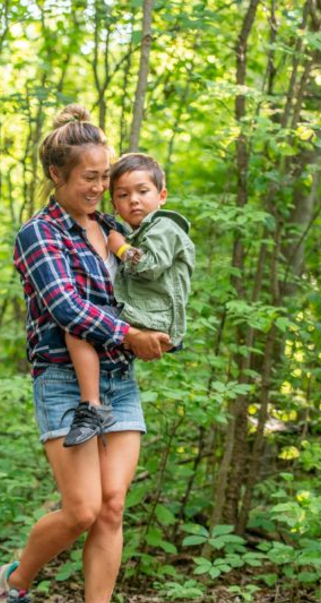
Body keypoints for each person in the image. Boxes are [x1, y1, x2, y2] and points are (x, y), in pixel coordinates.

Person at [0, 104, 170, 603]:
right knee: (82, 510)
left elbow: (150, 289)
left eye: (104, 175)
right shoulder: (37, 235)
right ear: (58, 176)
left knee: (114, 506)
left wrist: (162, 330)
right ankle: (15, 582)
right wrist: (130, 334)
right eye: (89, 178)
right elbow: (67, 309)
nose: (101, 188)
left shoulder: (114, 229)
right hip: (64, 382)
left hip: (120, 380)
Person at [62, 153, 195, 447]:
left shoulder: (165, 228)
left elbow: (149, 265)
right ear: (115, 204)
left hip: (154, 318)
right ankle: (96, 401)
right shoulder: (142, 230)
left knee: (79, 325)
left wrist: (120, 248)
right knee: (86, 323)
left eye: (142, 191)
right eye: (123, 195)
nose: (133, 200)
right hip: (149, 316)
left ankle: (91, 404)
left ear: (162, 196)